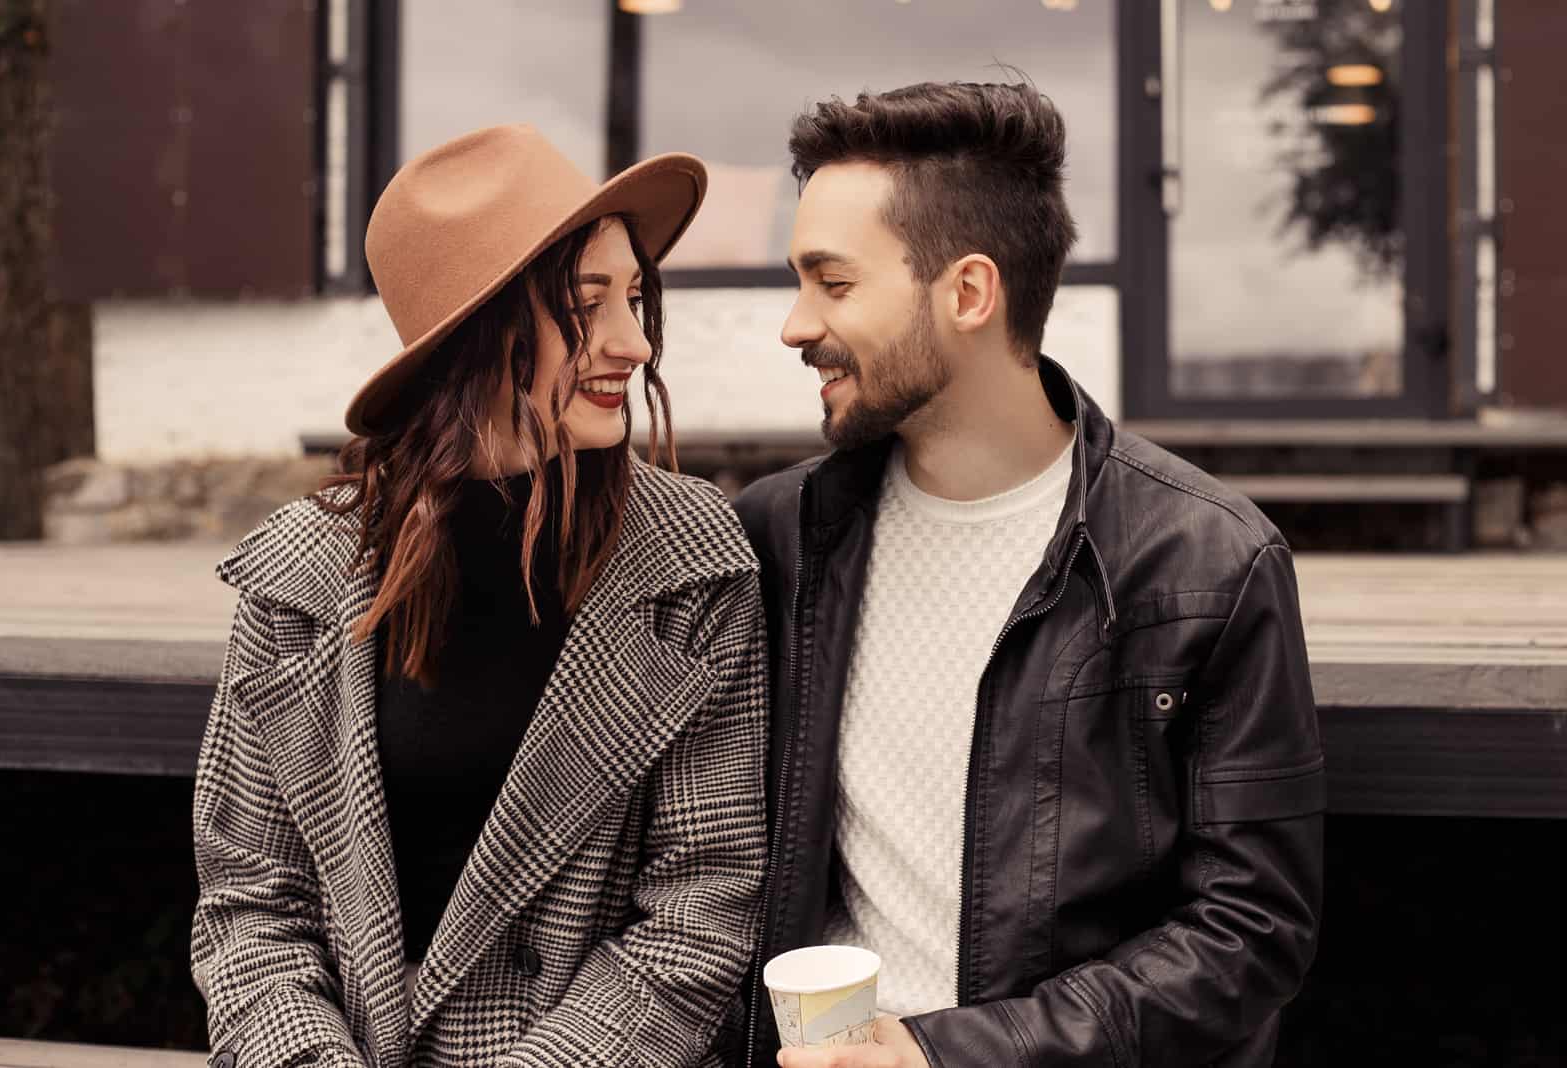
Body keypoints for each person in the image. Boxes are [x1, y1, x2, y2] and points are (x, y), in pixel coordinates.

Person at [732, 83, 1325, 1068]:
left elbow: (1250, 932)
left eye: (832, 285)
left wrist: (948, 1055)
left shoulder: (1207, 560)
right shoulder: (781, 537)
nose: (795, 325)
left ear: (968, 293)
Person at [191, 124, 768, 1068]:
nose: (636, 341)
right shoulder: (298, 574)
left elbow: (703, 904)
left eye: (635, 296)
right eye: (588, 305)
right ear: (479, 330)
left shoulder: (689, 565)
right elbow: (252, 902)